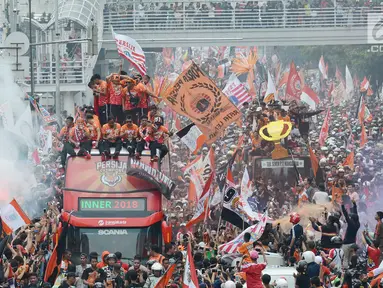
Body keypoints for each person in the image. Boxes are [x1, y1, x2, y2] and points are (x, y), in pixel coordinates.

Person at [341, 199, 360, 268]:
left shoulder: (351, 223)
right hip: (353, 243)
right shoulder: (358, 224)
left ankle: (345, 272)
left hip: (346, 243)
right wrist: (354, 205)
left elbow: (346, 215)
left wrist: (342, 206)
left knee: (345, 259)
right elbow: (356, 214)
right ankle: (350, 270)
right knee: (349, 259)